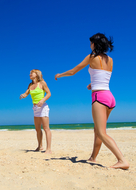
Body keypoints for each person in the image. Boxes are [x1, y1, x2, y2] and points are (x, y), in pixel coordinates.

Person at [55, 33, 129, 169]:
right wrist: (92, 85)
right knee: (98, 130)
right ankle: (93, 157)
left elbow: (73, 71)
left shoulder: (91, 57)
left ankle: (122, 160)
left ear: (94, 44)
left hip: (99, 97)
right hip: (109, 96)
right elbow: (103, 77)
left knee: (101, 132)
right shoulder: (110, 60)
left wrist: (60, 75)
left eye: (91, 43)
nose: (89, 45)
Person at [20, 69, 52, 153]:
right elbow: (26, 93)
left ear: (37, 74)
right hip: (35, 108)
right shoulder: (30, 84)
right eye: (30, 73)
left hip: (43, 107)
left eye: (31, 73)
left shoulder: (42, 83)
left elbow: (49, 93)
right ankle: (40, 146)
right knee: (37, 129)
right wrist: (23, 95)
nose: (30, 74)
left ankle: (48, 149)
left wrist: (42, 100)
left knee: (46, 128)